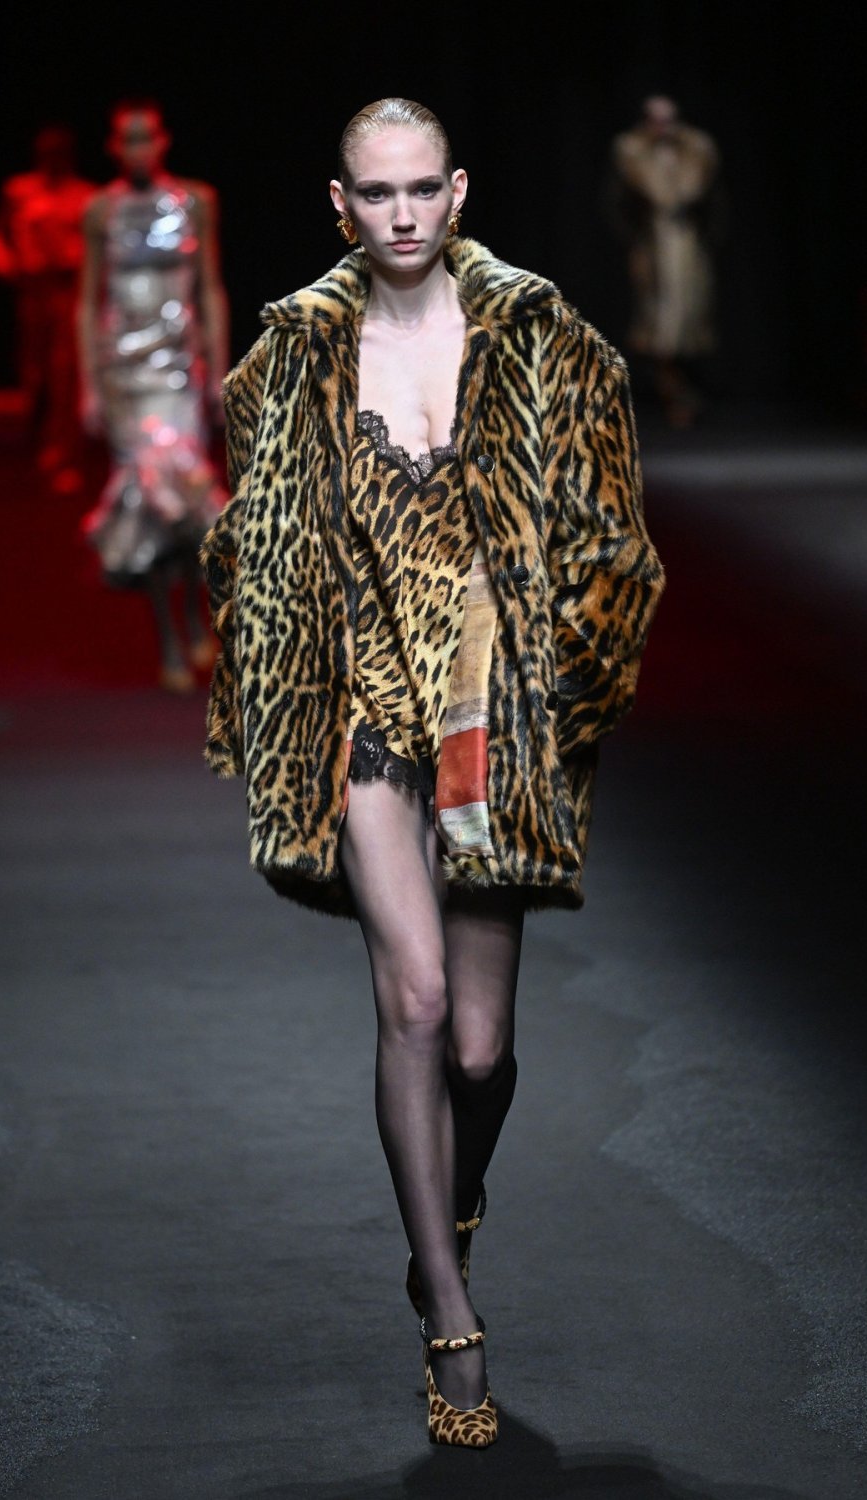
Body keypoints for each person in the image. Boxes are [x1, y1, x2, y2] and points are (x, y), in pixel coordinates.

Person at [202, 98, 665, 1446]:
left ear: (456, 191)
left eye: (420, 189)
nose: (400, 215)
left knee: (480, 1045)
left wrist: (563, 688)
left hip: (489, 714)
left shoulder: (538, 334)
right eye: (375, 193)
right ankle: (450, 1314)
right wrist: (278, 671)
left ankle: (448, 1211)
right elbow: (255, 540)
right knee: (410, 999)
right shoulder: (296, 351)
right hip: (364, 706)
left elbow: (613, 539)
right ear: (338, 203)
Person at [77, 98, 229, 693]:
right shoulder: (101, 210)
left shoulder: (196, 201)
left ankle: (193, 613)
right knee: (148, 506)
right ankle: (168, 637)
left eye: (147, 137)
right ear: (113, 147)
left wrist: (219, 369)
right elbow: (88, 300)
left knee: (186, 501)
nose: (138, 148)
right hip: (126, 378)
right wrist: (90, 385)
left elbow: (210, 287)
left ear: (163, 141)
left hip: (178, 372)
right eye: (127, 139)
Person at [0, 123, 95, 492]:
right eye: (46, 153)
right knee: (34, 370)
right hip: (32, 290)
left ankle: (64, 449)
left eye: (58, 153)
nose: (52, 160)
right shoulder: (20, 190)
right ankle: (32, 444)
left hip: (68, 290)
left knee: (65, 370)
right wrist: (4, 262)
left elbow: (95, 248)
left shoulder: (85, 196)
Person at [606, 95, 726, 427]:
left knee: (690, 320)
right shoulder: (632, 155)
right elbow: (618, 206)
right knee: (658, 324)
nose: (663, 127)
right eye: (656, 120)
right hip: (651, 250)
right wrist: (634, 242)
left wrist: (709, 239)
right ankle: (673, 392)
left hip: (690, 250)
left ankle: (684, 392)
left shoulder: (697, 153)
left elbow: (715, 205)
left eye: (669, 119)